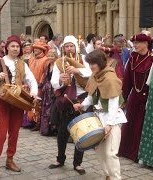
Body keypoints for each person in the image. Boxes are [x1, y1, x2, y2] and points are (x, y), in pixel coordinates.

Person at [0, 35, 38, 179]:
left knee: (14, 133)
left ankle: (10, 160)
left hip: (18, 102)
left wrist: (33, 92)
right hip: (4, 101)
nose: (15, 48)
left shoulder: (22, 63)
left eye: (17, 46)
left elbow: (32, 80)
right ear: (6, 47)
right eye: (12, 46)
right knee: (1, 133)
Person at [73, 49, 126, 180]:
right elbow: (91, 96)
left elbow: (114, 104)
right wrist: (82, 105)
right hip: (98, 118)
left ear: (101, 63)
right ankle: (108, 175)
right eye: (90, 63)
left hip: (113, 118)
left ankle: (116, 178)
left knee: (110, 152)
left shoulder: (110, 77)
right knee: (100, 151)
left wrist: (109, 124)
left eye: (93, 63)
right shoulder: (94, 76)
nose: (91, 66)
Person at [49, 35, 92, 175]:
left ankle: (77, 163)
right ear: (63, 48)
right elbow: (53, 82)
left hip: (82, 99)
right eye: (66, 46)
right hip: (67, 100)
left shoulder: (84, 59)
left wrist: (77, 70)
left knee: (80, 132)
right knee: (62, 132)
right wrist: (61, 80)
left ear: (76, 47)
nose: (69, 48)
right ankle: (60, 159)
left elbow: (92, 73)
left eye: (71, 46)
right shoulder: (59, 62)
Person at [117, 33, 153, 162]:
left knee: (141, 126)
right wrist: (124, 98)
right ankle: (125, 151)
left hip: (147, 97)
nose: (135, 45)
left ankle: (138, 154)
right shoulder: (133, 58)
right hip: (134, 96)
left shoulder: (152, 58)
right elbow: (127, 80)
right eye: (134, 43)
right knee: (129, 124)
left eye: (138, 43)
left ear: (146, 44)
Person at [28, 41, 49, 131]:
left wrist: (40, 83)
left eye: (37, 48)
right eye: (34, 48)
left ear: (42, 50)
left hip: (39, 85)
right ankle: (31, 121)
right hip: (30, 84)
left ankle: (38, 122)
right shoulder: (31, 59)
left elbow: (45, 73)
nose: (35, 49)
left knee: (38, 103)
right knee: (30, 102)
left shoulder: (45, 60)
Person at [40, 49, 58, 136]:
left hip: (53, 90)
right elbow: (45, 77)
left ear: (56, 57)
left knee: (52, 109)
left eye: (52, 56)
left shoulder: (57, 66)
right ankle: (45, 129)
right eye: (49, 56)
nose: (50, 57)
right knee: (45, 108)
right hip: (47, 90)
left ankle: (53, 128)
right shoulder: (47, 65)